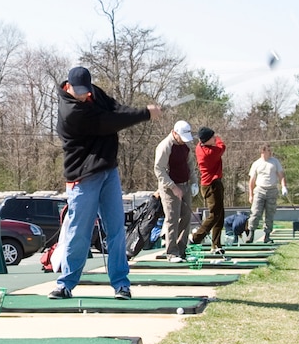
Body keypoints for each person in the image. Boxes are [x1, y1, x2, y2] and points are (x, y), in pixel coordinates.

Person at [51, 66, 162, 300]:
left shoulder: (93, 93)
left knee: (116, 230)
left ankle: (121, 284)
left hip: (108, 172)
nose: (83, 95)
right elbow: (109, 121)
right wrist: (144, 114)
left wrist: (140, 111)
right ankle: (66, 284)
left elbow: (115, 108)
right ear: (67, 86)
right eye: (78, 91)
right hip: (83, 177)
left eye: (85, 90)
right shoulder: (71, 111)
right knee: (78, 232)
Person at [153, 120, 199, 262]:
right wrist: (173, 187)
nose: (183, 141)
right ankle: (171, 252)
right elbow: (159, 170)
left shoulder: (185, 145)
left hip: (185, 184)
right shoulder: (165, 146)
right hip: (169, 187)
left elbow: (190, 164)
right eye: (181, 137)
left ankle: (181, 250)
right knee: (172, 219)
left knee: (186, 218)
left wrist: (194, 182)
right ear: (174, 132)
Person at [189, 127, 227, 255]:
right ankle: (196, 237)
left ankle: (216, 244)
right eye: (212, 137)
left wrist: (213, 138)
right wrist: (218, 138)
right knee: (214, 215)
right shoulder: (210, 152)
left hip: (209, 184)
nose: (214, 138)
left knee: (220, 215)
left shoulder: (200, 148)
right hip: (212, 185)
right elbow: (222, 147)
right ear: (208, 140)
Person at [247, 143, 288, 243]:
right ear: (262, 151)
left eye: (270, 150)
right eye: (268, 150)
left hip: (272, 190)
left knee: (270, 214)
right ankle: (251, 234)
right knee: (255, 213)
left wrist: (283, 186)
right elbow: (252, 180)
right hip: (260, 190)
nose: (270, 152)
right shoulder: (256, 164)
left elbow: (281, 175)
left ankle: (267, 235)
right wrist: (251, 195)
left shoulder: (275, 162)